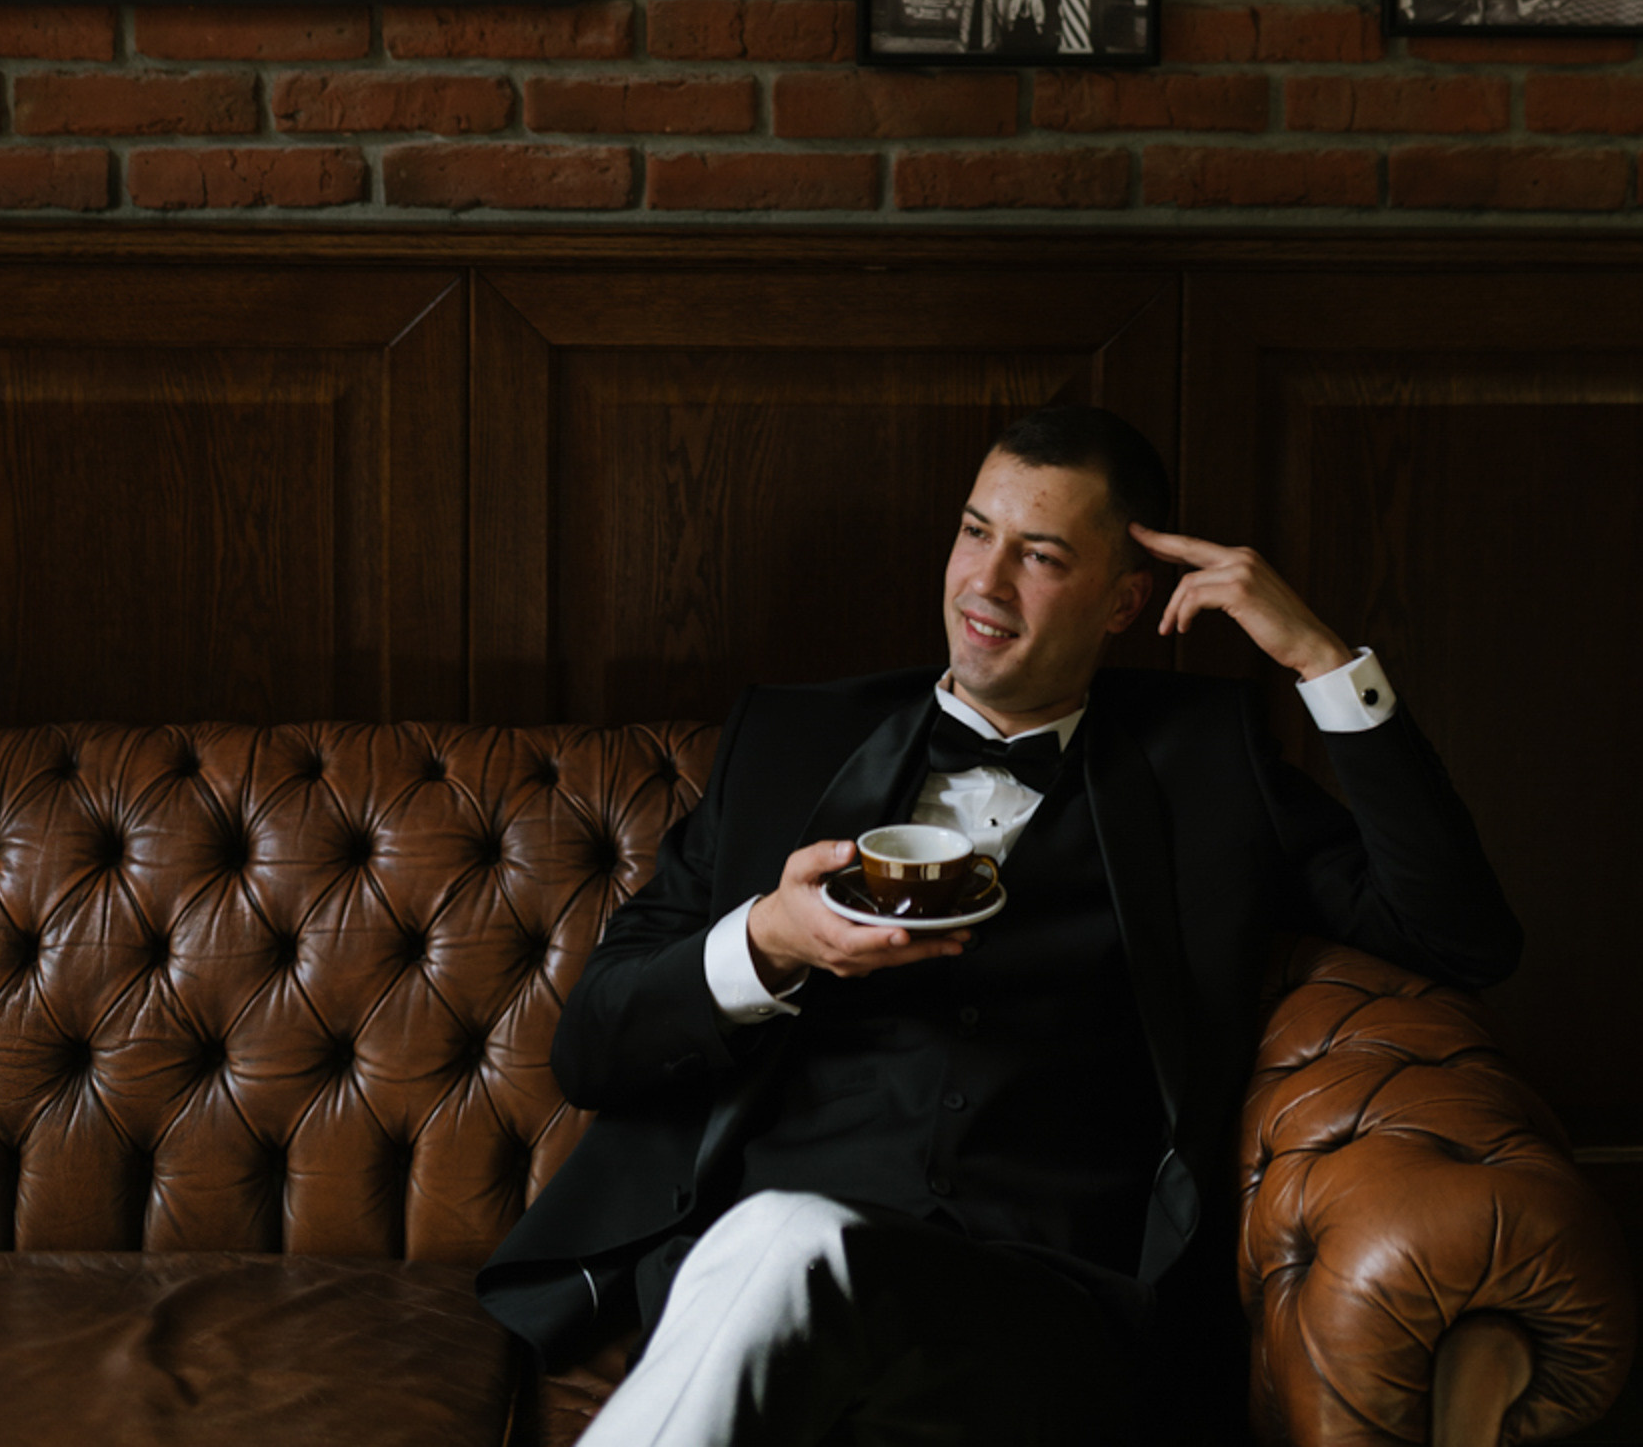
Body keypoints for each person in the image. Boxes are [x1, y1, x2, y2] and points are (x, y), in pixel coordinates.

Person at [476, 407, 1519, 1447]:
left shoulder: (1208, 769)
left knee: (782, 1242)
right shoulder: (789, 745)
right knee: (775, 1242)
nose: (985, 581)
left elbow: (1458, 935)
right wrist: (771, 943)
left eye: (1042, 555)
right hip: (752, 1284)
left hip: (1042, 1309)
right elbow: (592, 1046)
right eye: (975, 531)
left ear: (1124, 602)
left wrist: (1324, 662)